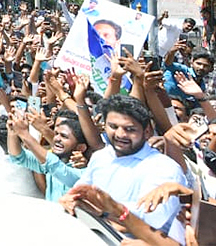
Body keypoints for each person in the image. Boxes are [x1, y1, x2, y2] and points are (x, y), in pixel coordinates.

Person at [68, 95, 188, 244]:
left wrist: (106, 210)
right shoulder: (100, 157)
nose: (120, 135)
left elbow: (151, 222)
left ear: (147, 132)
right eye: (113, 126)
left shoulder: (164, 168)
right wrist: (71, 200)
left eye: (130, 129)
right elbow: (78, 194)